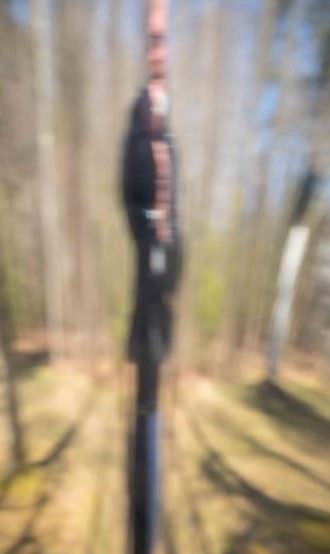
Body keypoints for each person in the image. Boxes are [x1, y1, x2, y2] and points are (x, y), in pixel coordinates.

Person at [122, 0, 182, 375]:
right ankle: (144, 376)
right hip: (149, 239)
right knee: (146, 308)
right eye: (154, 41)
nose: (160, 53)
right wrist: (150, 223)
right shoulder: (138, 125)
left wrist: (168, 228)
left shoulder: (166, 123)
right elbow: (130, 194)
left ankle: (154, 365)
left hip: (167, 241)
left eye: (164, 42)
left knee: (161, 306)